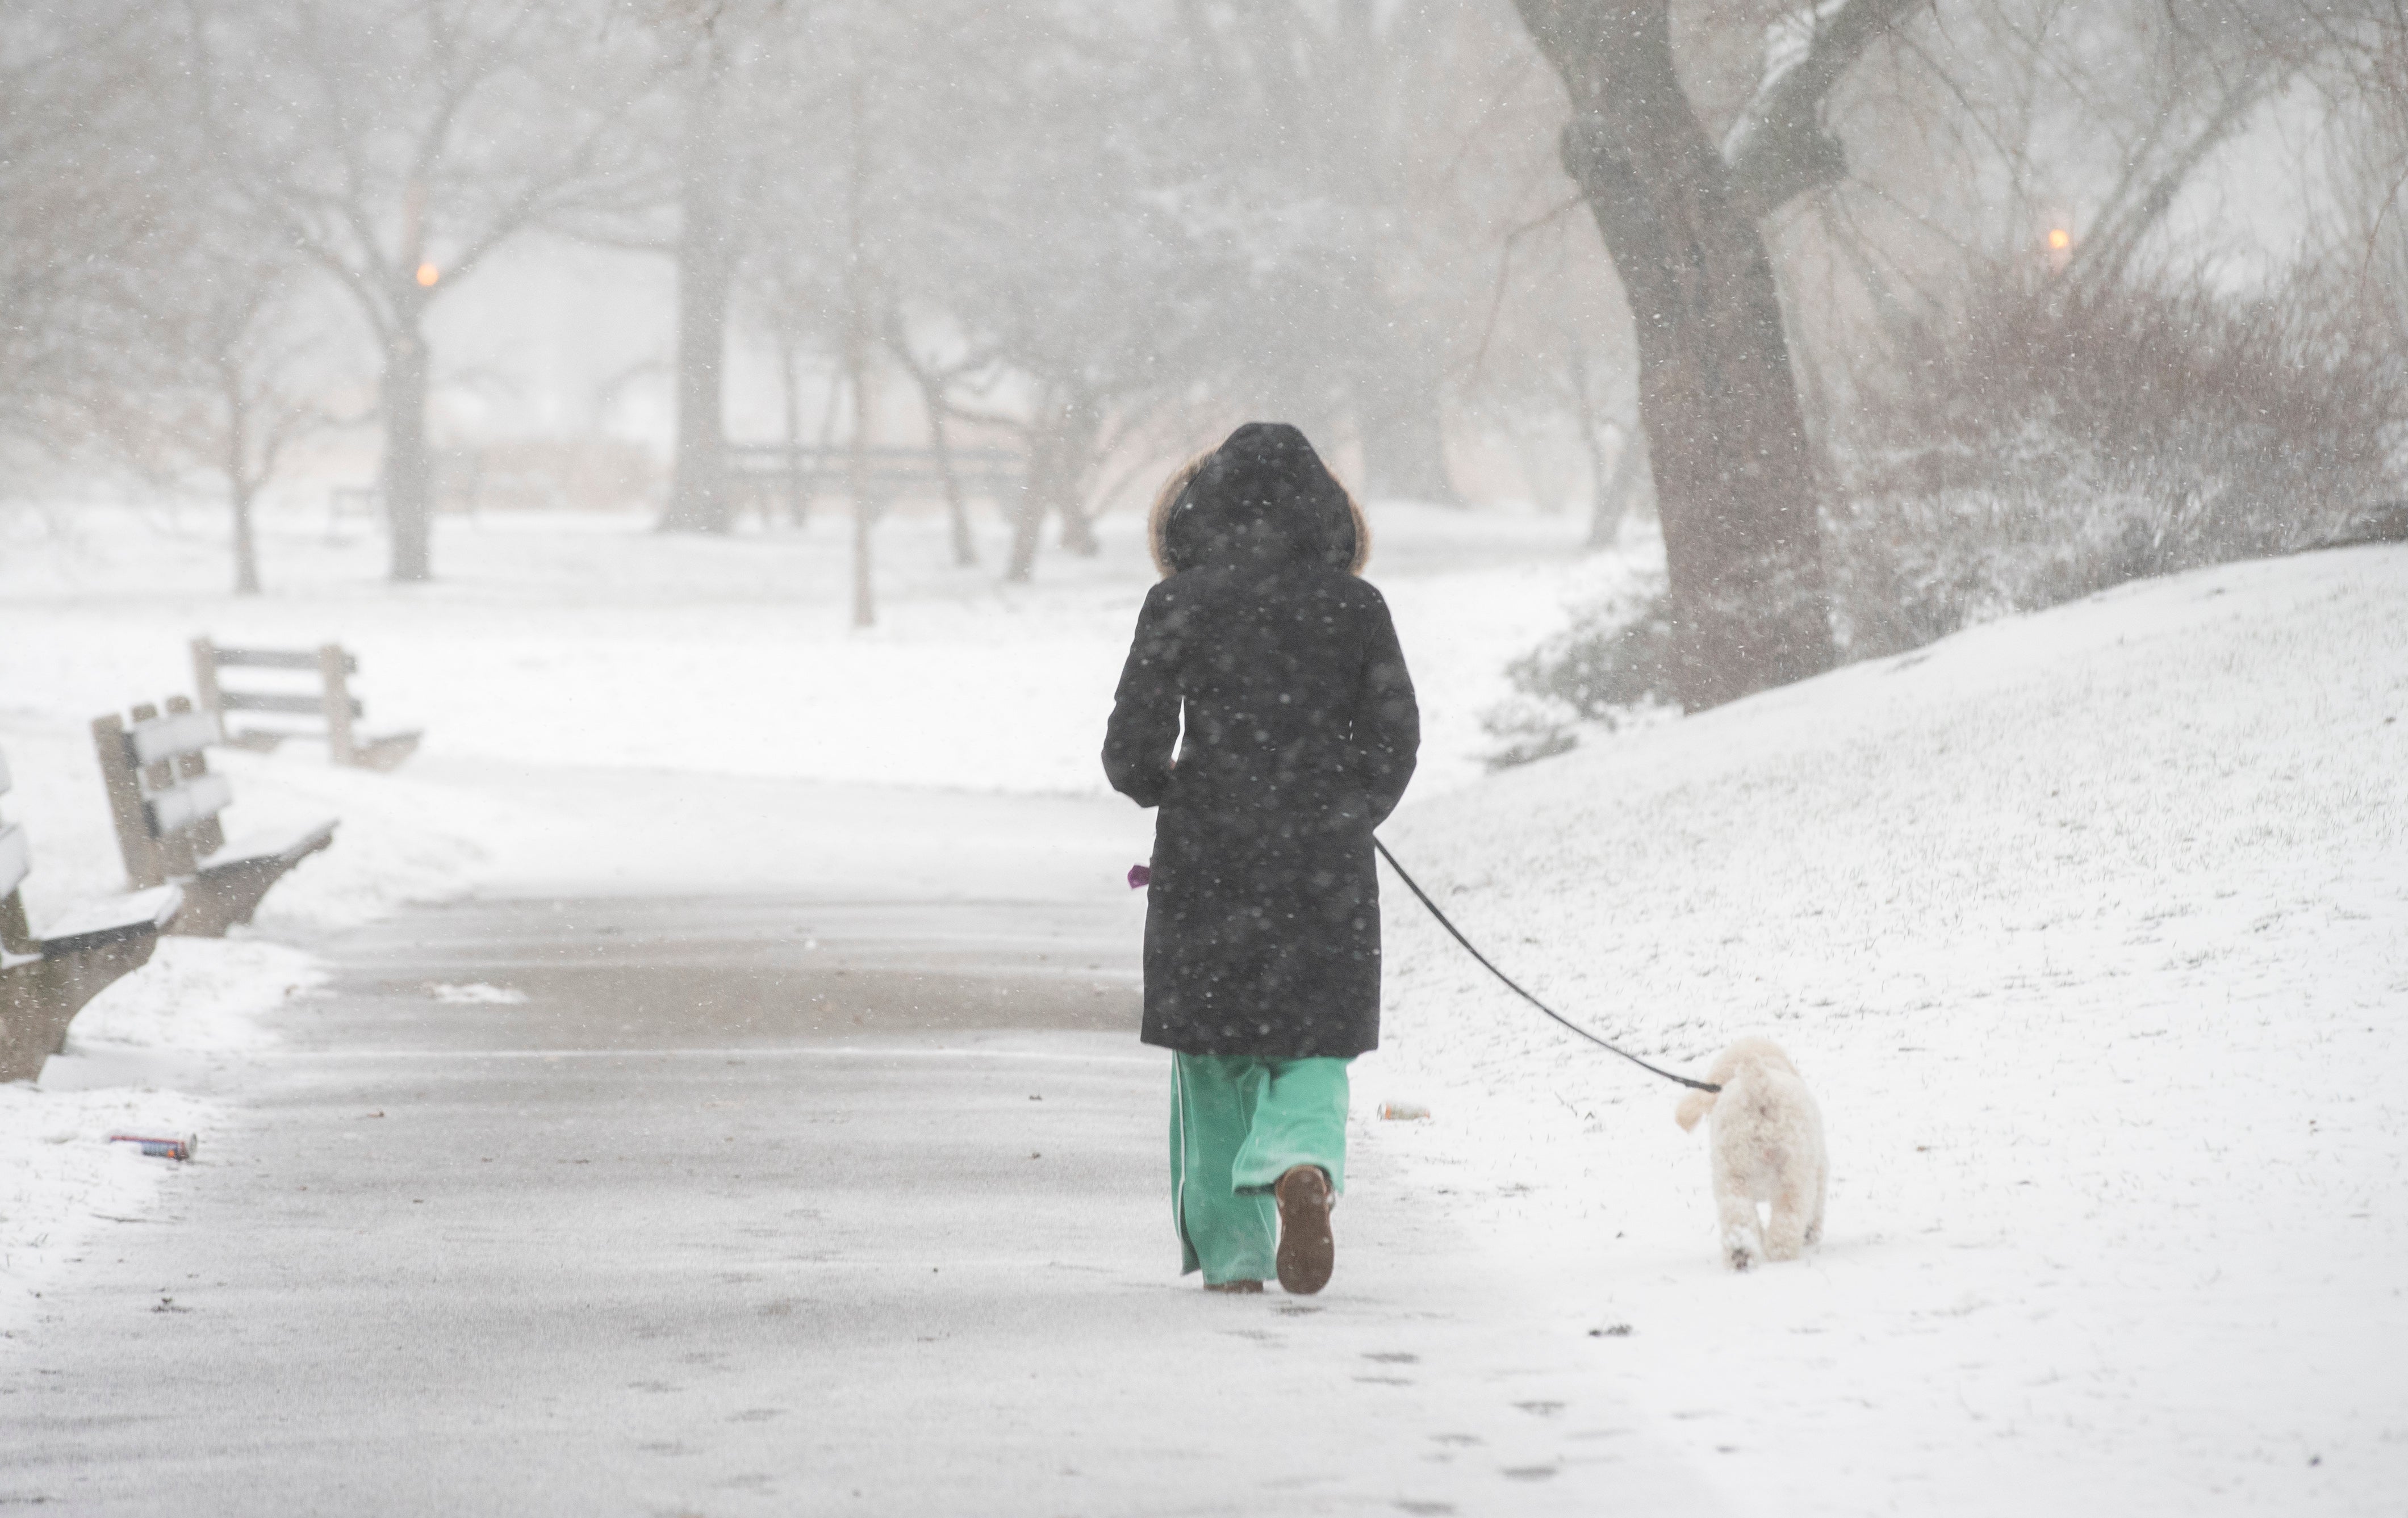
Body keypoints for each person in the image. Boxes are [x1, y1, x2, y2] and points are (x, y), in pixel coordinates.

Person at [1102, 423, 1420, 1295]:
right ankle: (1303, 1164)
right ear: (1328, 514)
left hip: (1211, 853)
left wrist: (1165, 786)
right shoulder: (1358, 609)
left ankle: (1236, 1255)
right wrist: (1349, 806)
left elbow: (1131, 746)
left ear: (1199, 510)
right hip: (1324, 859)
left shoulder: (1180, 604)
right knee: (1313, 1045)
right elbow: (1396, 735)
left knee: (1211, 1054)